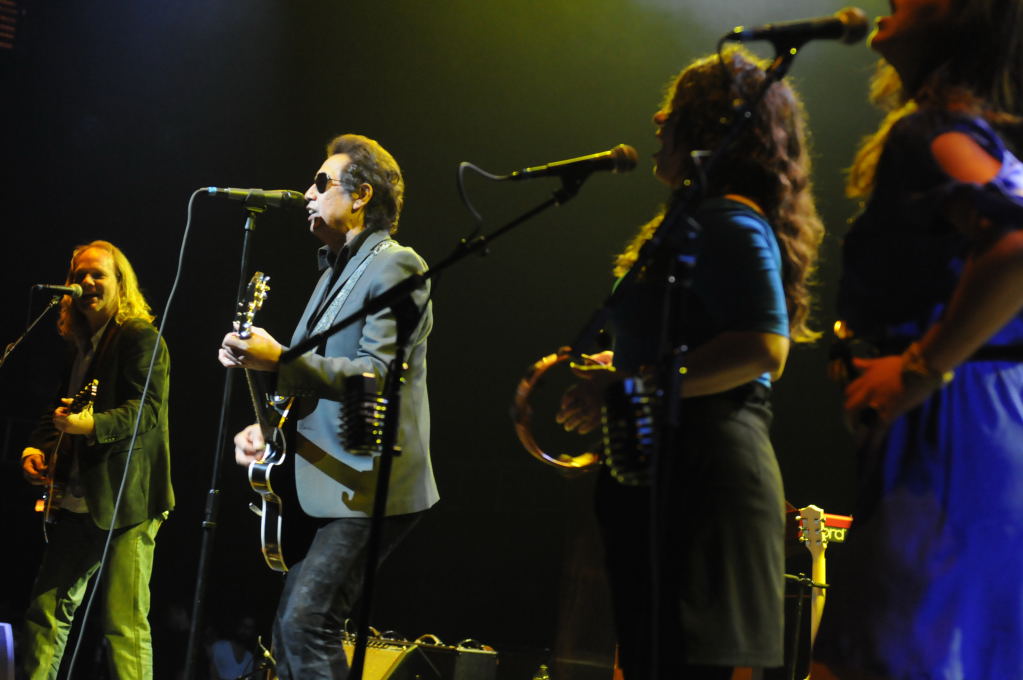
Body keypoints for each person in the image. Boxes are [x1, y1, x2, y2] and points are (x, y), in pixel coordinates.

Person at [557, 47, 824, 679]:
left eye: (674, 110)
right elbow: (689, 344)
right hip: (670, 483)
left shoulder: (729, 219)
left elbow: (765, 348)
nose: (657, 120)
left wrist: (632, 380)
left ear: (711, 128)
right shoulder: (699, 220)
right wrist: (620, 368)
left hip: (705, 490)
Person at [811, 1, 1023, 678]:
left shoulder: (931, 133)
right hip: (990, 424)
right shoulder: (980, 138)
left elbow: (1015, 238)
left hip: (949, 436)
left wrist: (915, 370)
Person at [219, 133, 438, 679]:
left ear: (362, 195)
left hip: (370, 478)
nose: (308, 193)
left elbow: (375, 376)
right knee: (289, 631)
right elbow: (310, 382)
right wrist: (269, 429)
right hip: (328, 477)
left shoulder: (398, 265)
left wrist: (278, 358)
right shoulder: (333, 273)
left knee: (305, 624)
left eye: (322, 182)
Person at [20, 240, 173, 679]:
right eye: (78, 276)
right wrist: (36, 448)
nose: (85, 282)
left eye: (97, 275)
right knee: (45, 611)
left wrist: (89, 426)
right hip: (77, 496)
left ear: (120, 284)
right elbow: (60, 407)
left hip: (128, 499)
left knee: (123, 622)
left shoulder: (140, 337)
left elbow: (145, 411)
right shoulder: (81, 345)